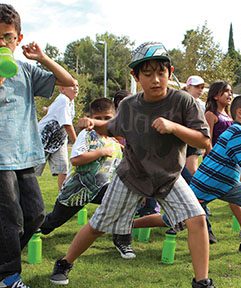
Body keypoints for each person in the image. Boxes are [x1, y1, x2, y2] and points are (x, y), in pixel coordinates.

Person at [49, 42, 215, 288]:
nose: (156, 80)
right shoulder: (129, 105)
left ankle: (202, 282)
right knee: (98, 225)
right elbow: (113, 127)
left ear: (170, 72)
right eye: (147, 74)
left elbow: (204, 140)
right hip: (132, 176)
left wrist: (174, 127)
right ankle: (64, 263)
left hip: (168, 176)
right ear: (135, 76)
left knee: (197, 219)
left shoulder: (183, 102)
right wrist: (94, 123)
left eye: (161, 73)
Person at [0, 4, 76, 288]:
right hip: (0, 158)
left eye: (8, 37)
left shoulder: (27, 70)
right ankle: (9, 277)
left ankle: (3, 262)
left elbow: (68, 81)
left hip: (25, 155)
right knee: (11, 221)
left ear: (18, 39)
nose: (2, 43)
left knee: (35, 216)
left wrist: (42, 57)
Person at [39, 98, 137, 259]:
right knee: (53, 221)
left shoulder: (113, 139)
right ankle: (29, 230)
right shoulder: (86, 134)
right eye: (98, 118)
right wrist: (101, 152)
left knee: (125, 203)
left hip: (102, 189)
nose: (103, 122)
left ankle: (122, 240)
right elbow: (76, 159)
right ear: (91, 118)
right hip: (77, 190)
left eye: (108, 118)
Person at [191, 94, 241, 254]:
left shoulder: (236, 130)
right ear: (240, 113)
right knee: (170, 220)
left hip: (224, 185)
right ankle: (130, 226)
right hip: (208, 184)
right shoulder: (238, 132)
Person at [35, 84, 79, 190]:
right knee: (31, 172)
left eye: (77, 85)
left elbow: (54, 107)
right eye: (72, 85)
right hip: (43, 139)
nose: (76, 88)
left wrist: (47, 109)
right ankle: (22, 197)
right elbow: (67, 125)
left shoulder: (69, 101)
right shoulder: (63, 100)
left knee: (63, 170)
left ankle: (62, 199)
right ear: (62, 89)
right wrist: (77, 144)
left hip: (58, 141)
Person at [184, 75, 206, 176]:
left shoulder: (202, 105)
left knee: (192, 171)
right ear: (188, 86)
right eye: (197, 87)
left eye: (202, 87)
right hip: (180, 139)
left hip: (194, 140)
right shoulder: (180, 100)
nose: (200, 90)